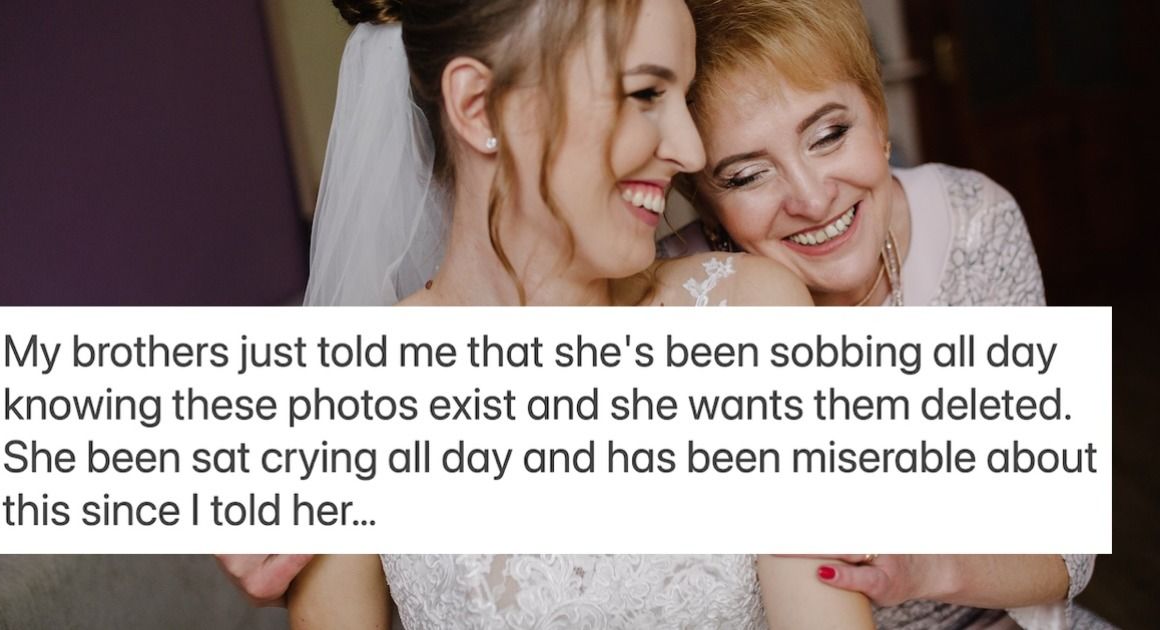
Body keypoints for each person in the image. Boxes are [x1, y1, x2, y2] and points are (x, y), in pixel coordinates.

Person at [284, 0, 874, 628]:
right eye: (645, 93)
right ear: (479, 106)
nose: (690, 151)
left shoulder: (753, 315)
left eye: (683, 96)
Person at [656, 0, 1102, 628]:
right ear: (702, 198)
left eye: (829, 135)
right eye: (749, 175)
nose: (812, 199)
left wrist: (923, 569)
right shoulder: (677, 298)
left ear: (881, 117)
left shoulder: (974, 220)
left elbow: (1068, 553)